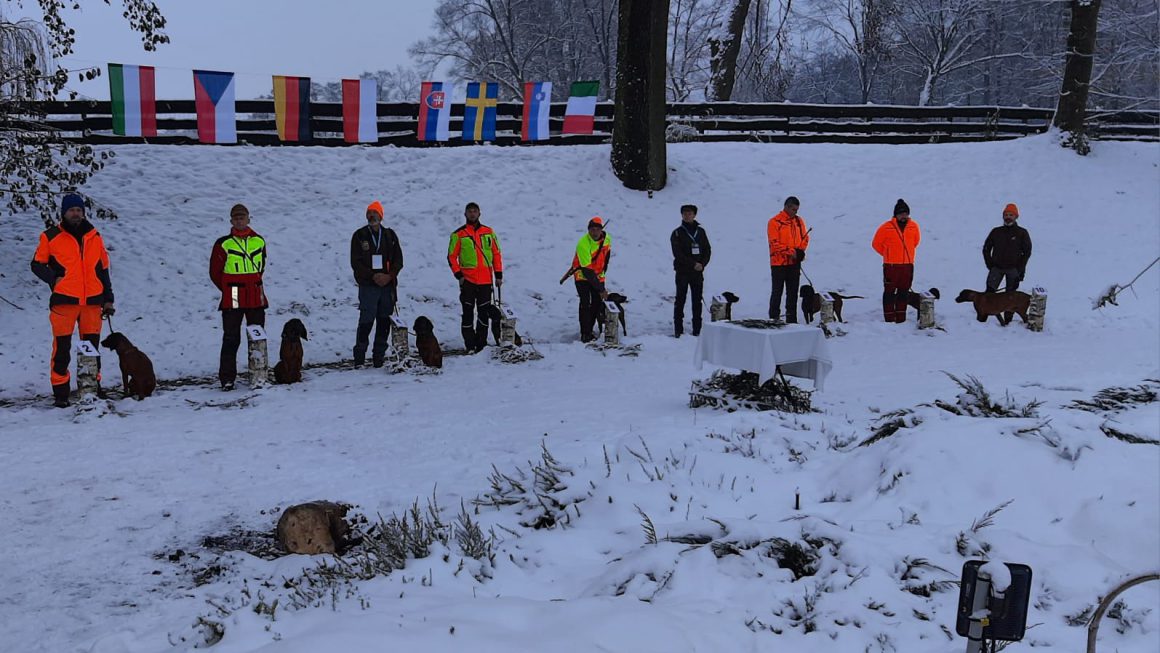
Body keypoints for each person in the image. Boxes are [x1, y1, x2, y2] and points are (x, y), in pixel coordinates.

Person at [30, 192, 116, 408]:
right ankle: (61, 393)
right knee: (62, 348)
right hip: (64, 303)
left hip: (92, 302)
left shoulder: (94, 236)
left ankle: (90, 388)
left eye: (79, 210)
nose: (76, 214)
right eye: (71, 210)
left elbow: (103, 269)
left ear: (83, 213)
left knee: (89, 347)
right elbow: (36, 264)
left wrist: (108, 298)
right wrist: (54, 279)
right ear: (64, 213)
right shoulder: (49, 236)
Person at [210, 203, 267, 390]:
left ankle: (259, 375)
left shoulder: (259, 240)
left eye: (242, 217)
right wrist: (229, 288)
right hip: (233, 294)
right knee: (231, 337)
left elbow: (261, 267)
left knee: (257, 336)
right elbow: (215, 272)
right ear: (231, 221)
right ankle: (227, 379)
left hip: (255, 294)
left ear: (249, 219)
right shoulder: (222, 243)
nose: (239, 220)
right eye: (236, 218)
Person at [350, 200, 404, 367]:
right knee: (366, 321)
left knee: (383, 321)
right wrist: (373, 276)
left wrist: (389, 276)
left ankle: (378, 357)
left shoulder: (390, 235)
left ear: (381, 216)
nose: (372, 215)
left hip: (387, 287)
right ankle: (359, 356)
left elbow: (398, 260)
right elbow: (356, 262)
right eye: (369, 213)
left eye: (375, 213)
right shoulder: (359, 236)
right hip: (368, 287)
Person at [448, 202, 503, 353]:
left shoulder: (489, 232)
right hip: (468, 281)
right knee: (467, 313)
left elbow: (496, 254)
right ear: (465, 214)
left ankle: (481, 343)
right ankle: (470, 344)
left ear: (479, 213)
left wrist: (498, 274)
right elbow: (451, 257)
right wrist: (459, 275)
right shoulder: (458, 234)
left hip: (486, 280)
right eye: (469, 211)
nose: (472, 214)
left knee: (484, 313)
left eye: (475, 211)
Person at [872, 199, 922, 323]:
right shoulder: (886, 227)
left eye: (906, 213)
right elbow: (876, 244)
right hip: (891, 266)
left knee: (904, 292)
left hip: (908, 266)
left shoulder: (914, 226)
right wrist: (888, 255)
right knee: (889, 292)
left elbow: (916, 242)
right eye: (901, 213)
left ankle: (901, 317)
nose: (903, 216)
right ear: (896, 215)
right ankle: (889, 317)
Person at [671, 204, 711, 337]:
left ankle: (697, 328)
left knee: (697, 300)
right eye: (685, 213)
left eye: (690, 213)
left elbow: (707, 250)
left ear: (694, 215)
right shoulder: (677, 232)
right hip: (683, 271)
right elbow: (677, 253)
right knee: (680, 300)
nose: (687, 215)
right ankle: (678, 329)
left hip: (697, 272)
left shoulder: (701, 232)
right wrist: (693, 263)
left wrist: (702, 264)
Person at [767, 196, 809, 322]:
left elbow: (805, 237)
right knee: (777, 292)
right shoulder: (774, 222)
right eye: (793, 210)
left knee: (792, 293)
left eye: (797, 210)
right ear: (786, 207)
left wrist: (800, 251)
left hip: (793, 264)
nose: (795, 213)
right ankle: (774, 318)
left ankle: (791, 319)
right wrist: (791, 252)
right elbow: (774, 243)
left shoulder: (798, 221)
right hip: (778, 263)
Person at [572, 216, 612, 342]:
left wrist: (602, 274)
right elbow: (587, 270)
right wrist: (601, 289)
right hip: (582, 276)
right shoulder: (583, 243)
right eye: (592, 230)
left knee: (597, 303)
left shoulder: (607, 240)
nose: (594, 232)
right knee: (585, 303)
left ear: (601, 230)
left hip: (598, 276)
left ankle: (591, 328)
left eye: (597, 229)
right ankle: (585, 333)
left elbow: (606, 258)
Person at [983, 203, 1032, 293]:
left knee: (1010, 296)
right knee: (989, 294)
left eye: (1011, 215)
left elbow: (1027, 252)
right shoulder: (996, 232)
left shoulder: (1022, 233)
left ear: (1016, 216)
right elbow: (986, 249)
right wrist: (990, 265)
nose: (1008, 217)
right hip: (996, 269)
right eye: (1006, 215)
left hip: (1013, 269)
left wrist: (1020, 269)